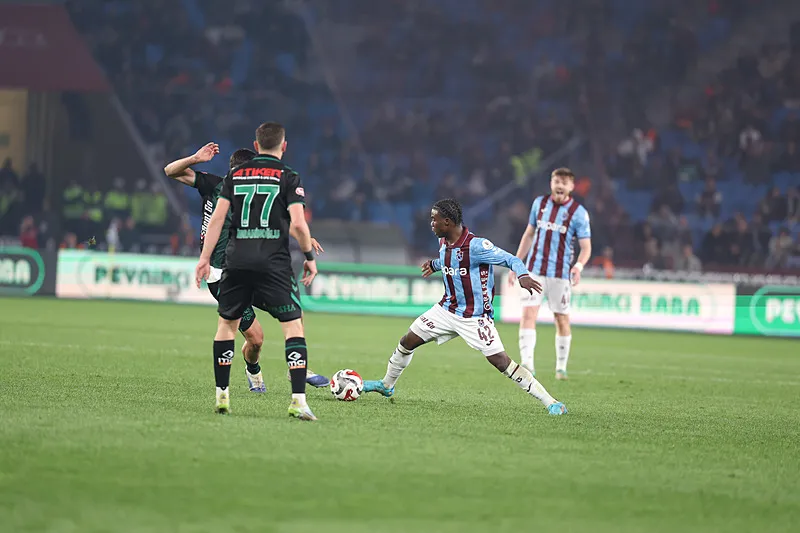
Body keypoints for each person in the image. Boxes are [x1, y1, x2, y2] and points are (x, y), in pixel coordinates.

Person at [362, 198, 568, 416]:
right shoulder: (444, 241)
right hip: (446, 310)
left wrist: (523, 275)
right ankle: (386, 385)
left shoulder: (477, 246)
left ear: (448, 222)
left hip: (474, 317)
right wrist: (434, 265)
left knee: (501, 362)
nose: (431, 224)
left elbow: (512, 260)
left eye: (434, 220)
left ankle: (551, 401)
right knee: (407, 341)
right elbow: (449, 260)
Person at [166, 143, 329, 393]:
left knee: (294, 310)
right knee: (256, 339)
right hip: (222, 277)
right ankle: (253, 371)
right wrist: (196, 158)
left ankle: (297, 367)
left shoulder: (253, 195)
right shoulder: (214, 185)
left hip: (249, 270)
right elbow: (170, 171)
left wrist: (305, 239)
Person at [193, 123, 320, 420]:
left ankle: (222, 395)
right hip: (272, 263)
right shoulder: (288, 177)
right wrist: (309, 256)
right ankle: (298, 401)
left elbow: (216, 220)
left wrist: (204, 258)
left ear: (256, 144)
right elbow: (299, 224)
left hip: (235, 261)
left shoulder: (234, 176)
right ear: (283, 146)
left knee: (227, 325)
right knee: (293, 325)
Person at [509, 167, 592, 380]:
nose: (560, 185)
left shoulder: (579, 213)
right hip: (534, 271)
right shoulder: (540, 204)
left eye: (565, 182)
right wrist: (516, 264)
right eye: (557, 180)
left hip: (560, 274)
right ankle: (527, 364)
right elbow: (528, 234)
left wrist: (578, 266)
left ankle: (561, 368)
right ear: (551, 183)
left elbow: (586, 247)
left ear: (572, 187)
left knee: (561, 319)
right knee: (528, 314)